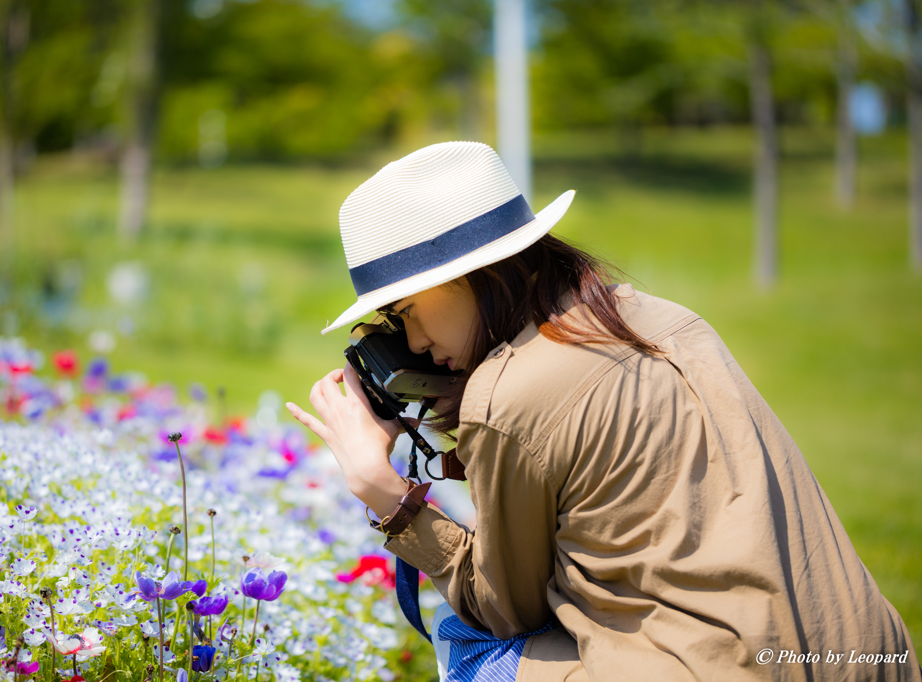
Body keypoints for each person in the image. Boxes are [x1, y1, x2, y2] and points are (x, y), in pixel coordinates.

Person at [285, 142, 921, 681]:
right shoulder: (653, 316)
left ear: (477, 275)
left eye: (408, 312)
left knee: (468, 639)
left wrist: (384, 492)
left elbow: (503, 608)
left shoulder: (508, 398)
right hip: (866, 652)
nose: (414, 342)